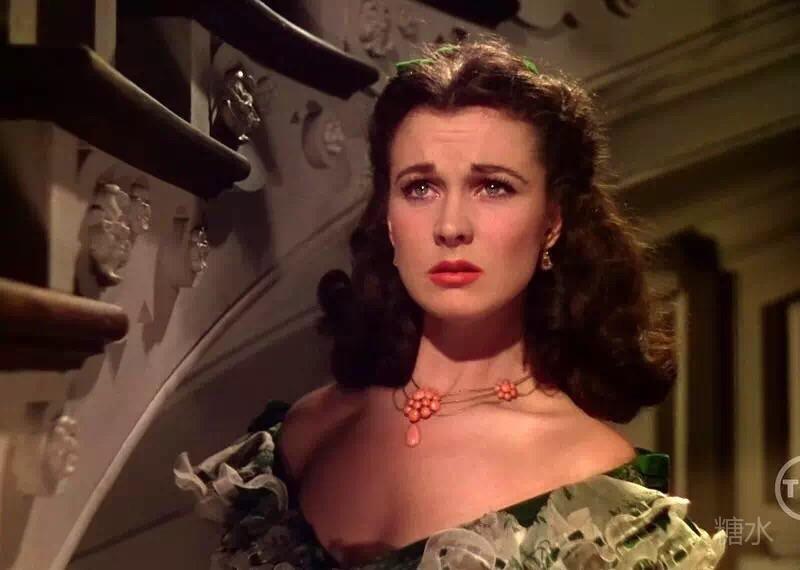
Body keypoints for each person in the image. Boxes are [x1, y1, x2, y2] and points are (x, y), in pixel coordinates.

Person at [174, 37, 728, 569]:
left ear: (552, 223)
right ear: (389, 219)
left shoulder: (594, 490)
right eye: (420, 187)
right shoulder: (305, 432)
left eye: (493, 187)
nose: (451, 226)